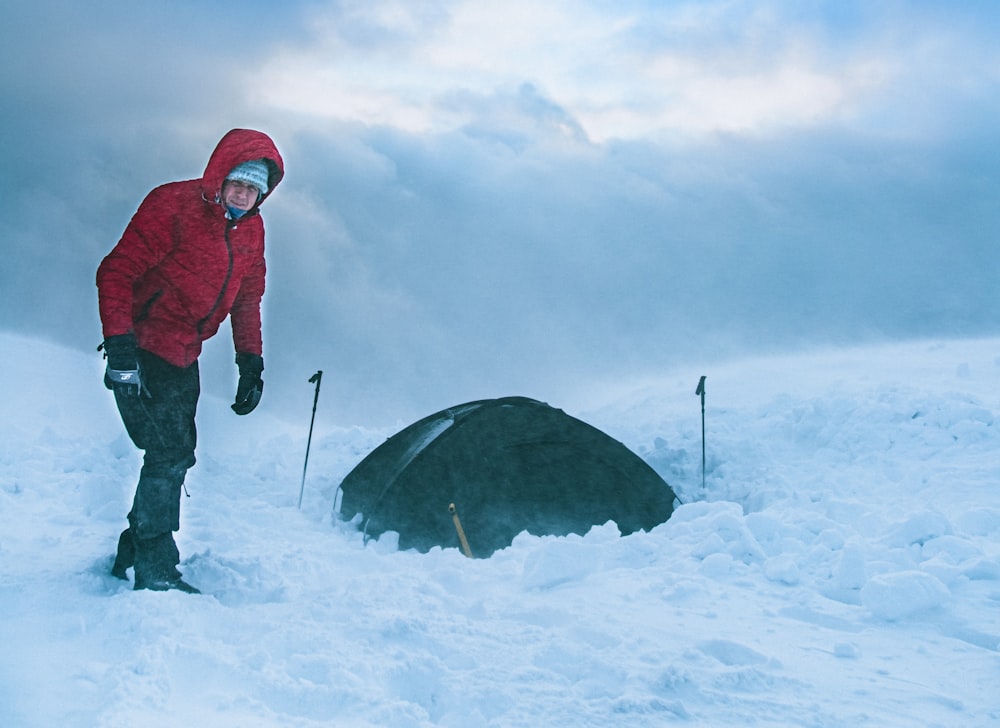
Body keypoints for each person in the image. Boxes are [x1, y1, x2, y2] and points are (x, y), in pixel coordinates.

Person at [97, 128, 284, 593]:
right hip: (142, 348)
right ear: (220, 177)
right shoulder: (173, 206)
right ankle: (155, 565)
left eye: (253, 189)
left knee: (178, 452)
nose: (242, 195)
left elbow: (247, 299)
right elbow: (115, 272)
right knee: (168, 453)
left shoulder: (251, 229)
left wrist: (251, 363)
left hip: (185, 352)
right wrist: (121, 349)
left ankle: (133, 550)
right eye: (236, 184)